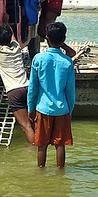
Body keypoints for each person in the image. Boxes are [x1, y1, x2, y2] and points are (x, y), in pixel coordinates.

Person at [0, 3, 35, 145]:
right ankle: (40, 146)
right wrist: (6, 22)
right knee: (32, 122)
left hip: (14, 92)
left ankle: (34, 150)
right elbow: (13, 36)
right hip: (28, 87)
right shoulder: (16, 48)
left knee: (25, 125)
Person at [27, 21, 75, 168]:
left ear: (46, 38)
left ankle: (41, 174)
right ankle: (61, 174)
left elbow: (32, 88)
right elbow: (70, 92)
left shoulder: (39, 59)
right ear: (64, 38)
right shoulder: (67, 62)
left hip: (43, 108)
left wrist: (30, 108)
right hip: (62, 109)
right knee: (60, 145)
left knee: (41, 145)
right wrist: (70, 111)